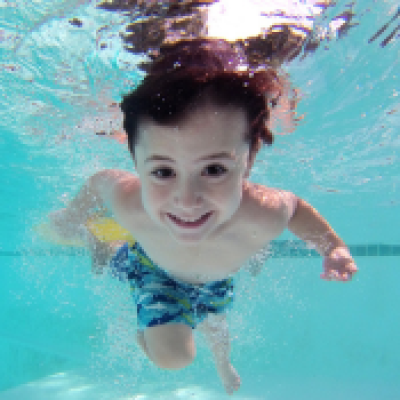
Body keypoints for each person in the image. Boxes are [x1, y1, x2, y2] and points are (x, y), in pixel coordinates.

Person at [49, 39, 358, 395]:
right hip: (153, 271)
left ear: (249, 161)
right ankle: (104, 248)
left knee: (215, 323)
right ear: (136, 163)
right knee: (174, 356)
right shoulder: (131, 202)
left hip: (215, 279)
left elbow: (297, 209)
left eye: (213, 169)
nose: (187, 200)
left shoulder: (264, 211)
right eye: (163, 172)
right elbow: (100, 181)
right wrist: (73, 215)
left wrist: (332, 247)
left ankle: (223, 364)